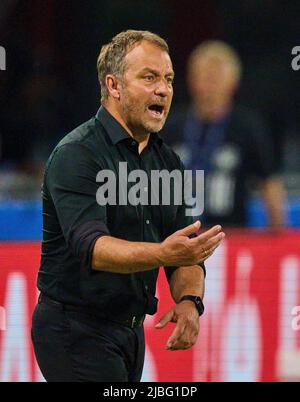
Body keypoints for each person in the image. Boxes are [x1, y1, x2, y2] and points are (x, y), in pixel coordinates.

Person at [31, 30, 225, 382]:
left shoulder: (167, 162)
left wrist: (189, 302)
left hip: (130, 332)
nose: (163, 89)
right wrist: (165, 254)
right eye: (149, 77)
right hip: (73, 329)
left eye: (167, 79)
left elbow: (186, 253)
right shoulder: (78, 154)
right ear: (114, 86)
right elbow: (93, 248)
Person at [163, 40, 286, 228]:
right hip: (176, 238)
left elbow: (269, 185)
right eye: (203, 76)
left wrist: (278, 243)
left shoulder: (247, 128)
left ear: (233, 82)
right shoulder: (170, 127)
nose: (209, 85)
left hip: (230, 237)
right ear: (190, 79)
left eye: (216, 77)